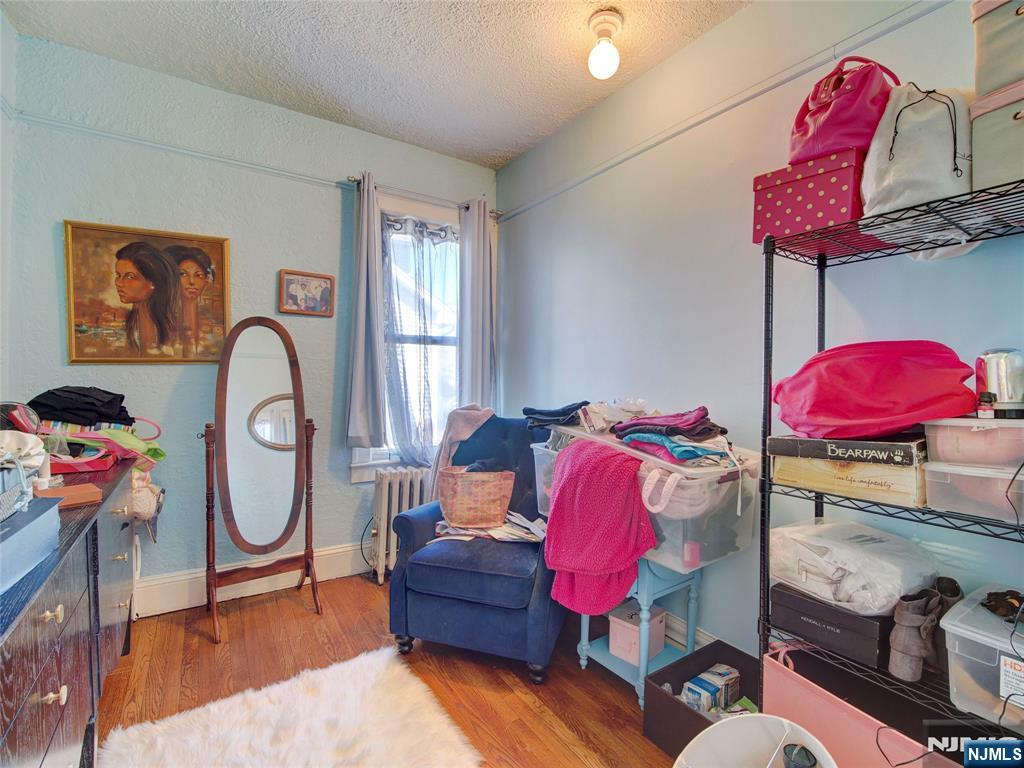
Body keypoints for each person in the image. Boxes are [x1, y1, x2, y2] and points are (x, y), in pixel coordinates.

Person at [114, 242, 180, 355]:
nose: (118, 283)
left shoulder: (165, 331)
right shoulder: (133, 323)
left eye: (130, 276)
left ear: (153, 283)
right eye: (118, 275)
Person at [165, 245, 214, 357]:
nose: (191, 281)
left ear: (206, 279)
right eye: (183, 274)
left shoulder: (212, 324)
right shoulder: (165, 321)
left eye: (198, 275)